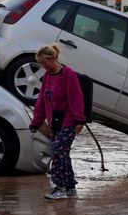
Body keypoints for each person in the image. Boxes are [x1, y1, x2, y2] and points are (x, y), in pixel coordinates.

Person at [29, 44, 86, 200]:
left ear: (53, 58)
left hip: (68, 121)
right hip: (55, 122)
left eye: (44, 62)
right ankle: (70, 188)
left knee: (59, 152)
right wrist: (36, 122)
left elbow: (76, 98)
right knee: (63, 154)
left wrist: (79, 120)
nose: (43, 66)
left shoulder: (68, 74)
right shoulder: (47, 76)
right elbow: (42, 99)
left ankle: (59, 187)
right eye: (40, 63)